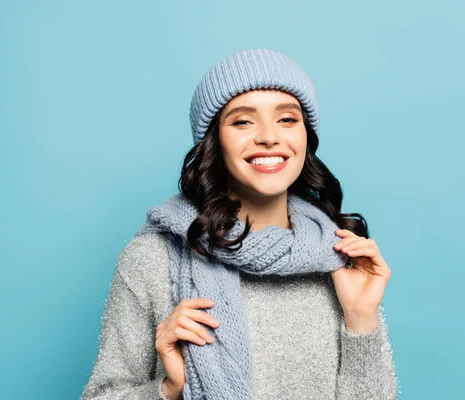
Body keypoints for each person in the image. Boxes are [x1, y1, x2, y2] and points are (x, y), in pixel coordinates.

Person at [81, 48, 400, 400]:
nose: (268, 136)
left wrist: (360, 318)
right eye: (243, 121)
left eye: (287, 119)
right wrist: (169, 390)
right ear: (214, 141)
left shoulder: (338, 256)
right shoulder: (153, 258)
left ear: (305, 137)